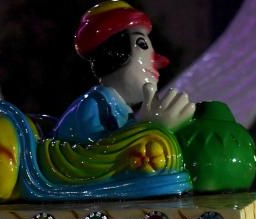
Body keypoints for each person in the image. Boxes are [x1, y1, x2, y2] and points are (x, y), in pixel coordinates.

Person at [54, 1, 196, 145]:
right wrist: (151, 128)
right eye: (142, 44)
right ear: (115, 51)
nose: (158, 61)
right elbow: (102, 156)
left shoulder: (121, 110)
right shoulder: (94, 106)